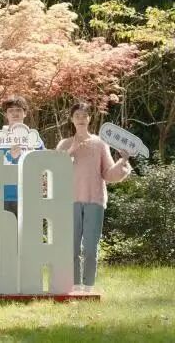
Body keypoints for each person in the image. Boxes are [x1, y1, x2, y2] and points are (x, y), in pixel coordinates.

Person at [56, 102, 131, 292]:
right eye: (77, 116)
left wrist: (123, 161)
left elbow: (108, 173)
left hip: (94, 200)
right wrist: (71, 150)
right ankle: (74, 285)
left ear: (90, 118)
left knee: (90, 247)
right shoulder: (64, 144)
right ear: (71, 119)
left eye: (84, 115)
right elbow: (56, 171)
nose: (81, 119)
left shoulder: (100, 143)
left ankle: (88, 287)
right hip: (69, 202)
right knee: (71, 247)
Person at [0, 95, 45, 216]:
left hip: (29, 194)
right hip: (4, 195)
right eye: (11, 110)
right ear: (6, 114)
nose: (15, 113)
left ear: (25, 113)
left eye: (19, 110)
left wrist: (32, 156)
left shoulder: (34, 138)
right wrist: (10, 157)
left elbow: (44, 163)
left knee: (30, 228)